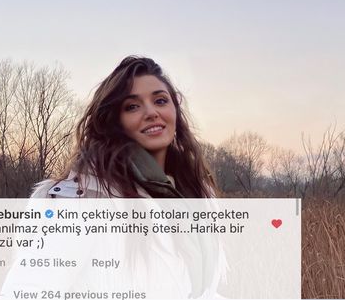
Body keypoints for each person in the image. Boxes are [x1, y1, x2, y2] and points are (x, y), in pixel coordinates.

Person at [32, 56, 218, 199]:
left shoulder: (202, 194)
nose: (151, 112)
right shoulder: (64, 200)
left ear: (175, 110)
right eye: (132, 106)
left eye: (160, 101)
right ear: (114, 120)